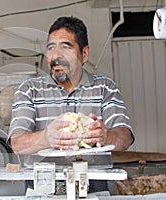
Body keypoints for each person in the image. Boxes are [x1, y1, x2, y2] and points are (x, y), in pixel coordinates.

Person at [8, 16, 134, 158]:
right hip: (43, 179)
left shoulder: (105, 88)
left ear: (84, 54)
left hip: (93, 178)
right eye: (51, 48)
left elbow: (125, 138)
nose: (56, 56)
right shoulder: (29, 90)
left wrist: (106, 136)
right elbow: (17, 143)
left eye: (65, 47)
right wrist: (46, 138)